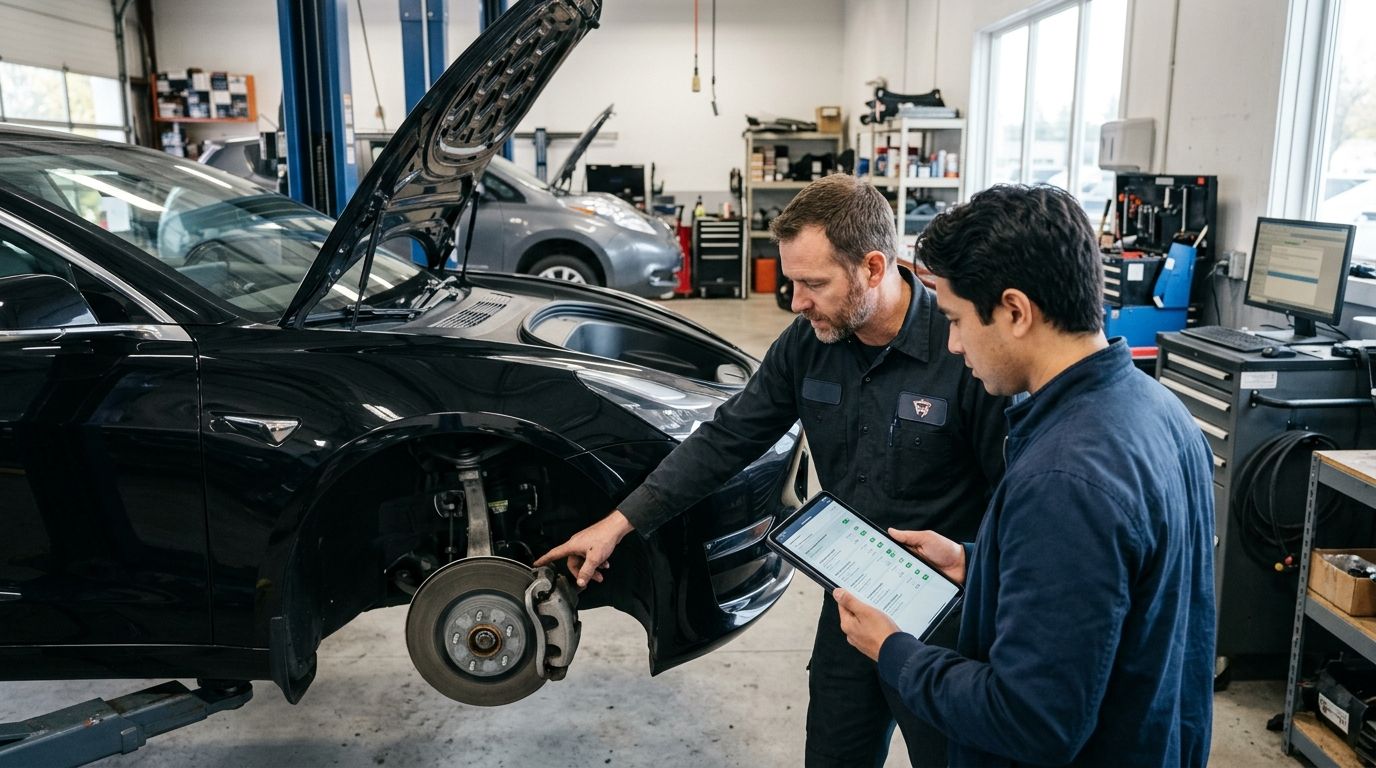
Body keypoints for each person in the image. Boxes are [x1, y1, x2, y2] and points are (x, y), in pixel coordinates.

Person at [535, 173, 1011, 767]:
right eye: (791, 282)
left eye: (813, 283)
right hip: (851, 599)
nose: (796, 301)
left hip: (948, 619)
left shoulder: (964, 347)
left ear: (872, 267)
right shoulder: (807, 343)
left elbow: (1012, 498)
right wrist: (617, 525)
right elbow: (728, 438)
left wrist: (983, 581)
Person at [834, 184, 1216, 766]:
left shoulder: (1065, 478)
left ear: (1015, 311)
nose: (955, 346)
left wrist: (894, 652)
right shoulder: (1160, 410)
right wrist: (980, 566)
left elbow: (1030, 718)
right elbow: (1125, 599)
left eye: (958, 320)